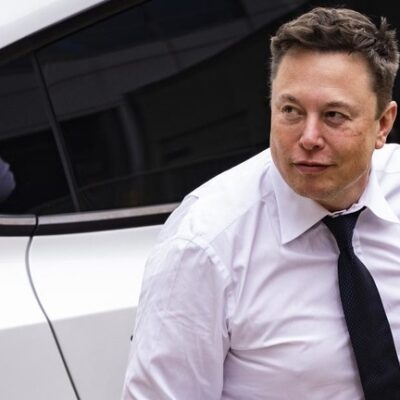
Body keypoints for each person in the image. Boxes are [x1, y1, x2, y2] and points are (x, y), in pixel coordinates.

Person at [122, 7, 400, 399]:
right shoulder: (203, 246)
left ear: (382, 125)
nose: (308, 137)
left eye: (334, 115)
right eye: (291, 111)